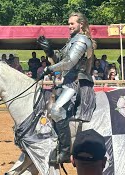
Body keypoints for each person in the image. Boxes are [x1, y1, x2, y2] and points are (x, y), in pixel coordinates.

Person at [37, 12, 96, 164]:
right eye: (68, 23)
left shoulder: (82, 40)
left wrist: (50, 69)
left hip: (78, 83)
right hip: (68, 82)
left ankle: (64, 152)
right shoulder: (72, 40)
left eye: (72, 24)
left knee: (56, 110)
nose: (69, 26)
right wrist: (49, 51)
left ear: (81, 24)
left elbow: (69, 63)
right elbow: (60, 60)